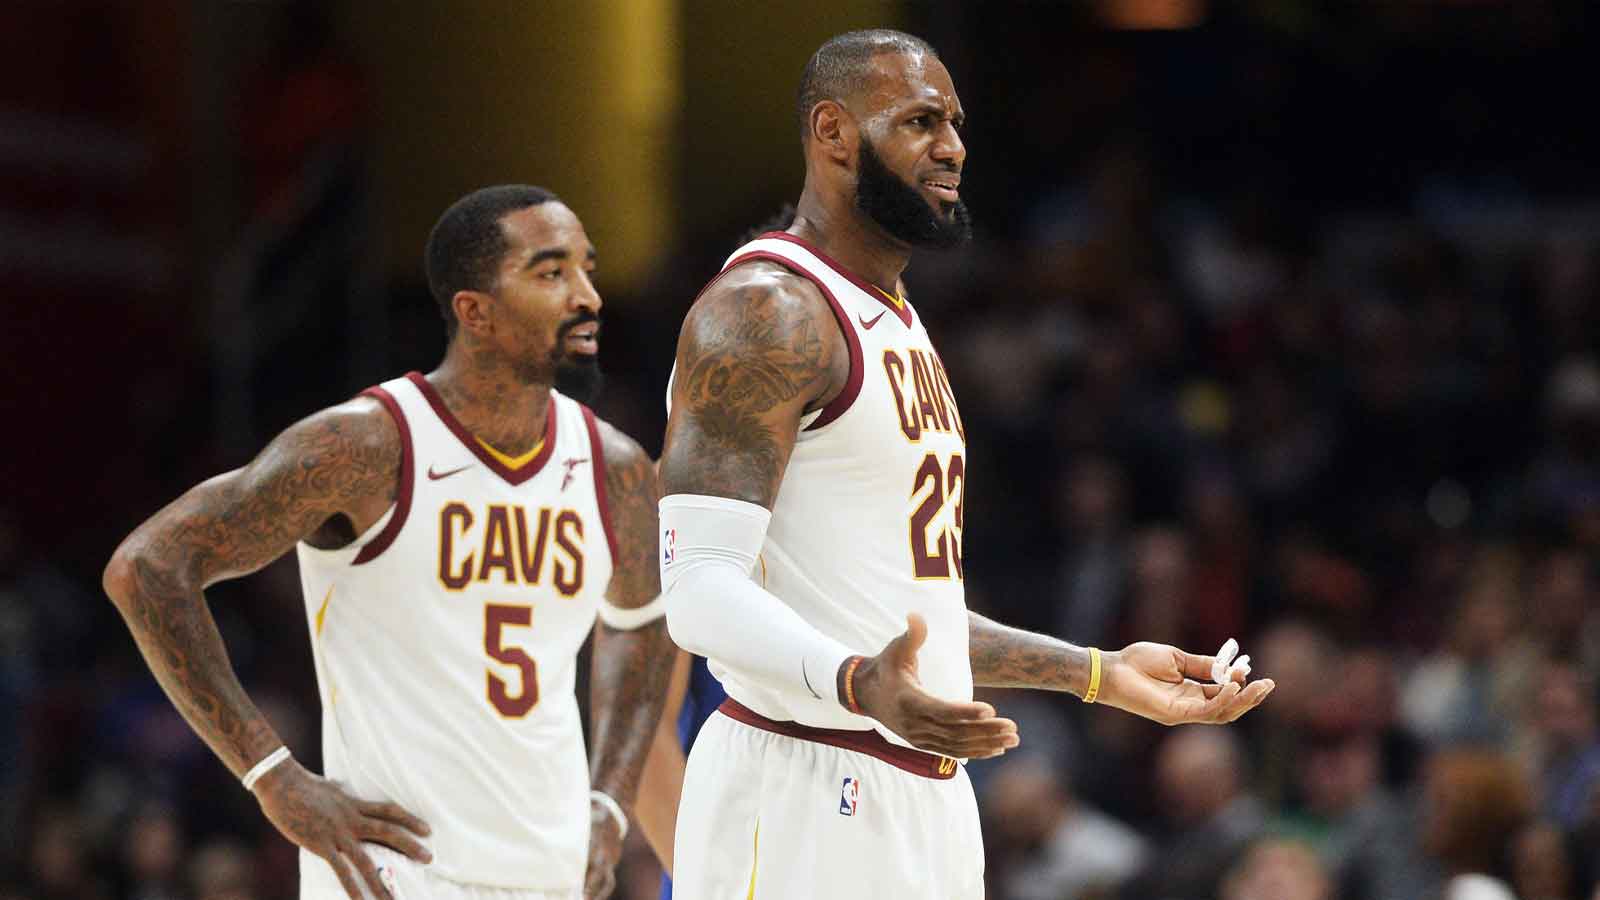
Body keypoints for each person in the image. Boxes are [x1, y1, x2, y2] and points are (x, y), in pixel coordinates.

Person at [656, 29, 1275, 898]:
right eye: (918, 121)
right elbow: (696, 587)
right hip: (800, 780)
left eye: (954, 122)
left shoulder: (897, 320)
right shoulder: (766, 313)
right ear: (833, 132)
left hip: (925, 799)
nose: (952, 147)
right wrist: (856, 684)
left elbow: (908, 616)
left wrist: (1100, 674)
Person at [103, 185, 675, 900]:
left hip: (548, 871)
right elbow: (148, 568)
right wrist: (271, 776)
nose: (587, 295)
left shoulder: (616, 468)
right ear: (475, 311)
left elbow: (640, 624)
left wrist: (611, 804)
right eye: (552, 273)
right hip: (392, 871)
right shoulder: (366, 446)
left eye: (586, 268)